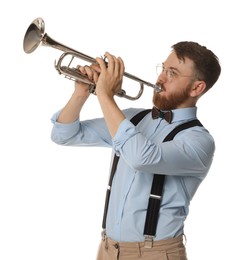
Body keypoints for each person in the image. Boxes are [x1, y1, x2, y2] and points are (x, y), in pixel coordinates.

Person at [51, 41, 221, 260]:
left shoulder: (199, 140)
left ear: (197, 88)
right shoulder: (133, 118)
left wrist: (105, 95)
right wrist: (82, 93)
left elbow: (142, 157)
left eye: (173, 73)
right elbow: (65, 135)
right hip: (107, 249)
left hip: (157, 253)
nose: (161, 78)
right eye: (163, 69)